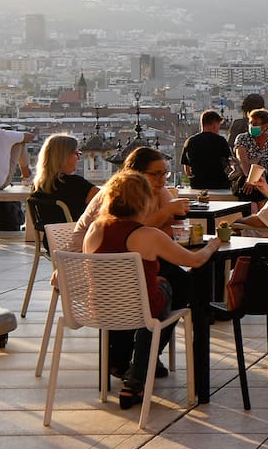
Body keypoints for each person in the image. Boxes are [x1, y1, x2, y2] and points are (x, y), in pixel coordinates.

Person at [83, 171, 220, 410]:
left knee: (151, 299)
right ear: (143, 201)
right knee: (166, 288)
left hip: (101, 310)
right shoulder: (148, 235)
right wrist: (212, 246)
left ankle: (133, 371)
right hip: (141, 309)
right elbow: (195, 261)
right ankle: (138, 374)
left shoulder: (95, 229)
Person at [70, 147, 192, 378]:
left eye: (164, 173)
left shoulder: (155, 190)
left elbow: (163, 228)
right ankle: (134, 357)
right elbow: (128, 230)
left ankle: (144, 355)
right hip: (94, 266)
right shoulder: (117, 194)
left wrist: (165, 212)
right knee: (171, 284)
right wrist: (165, 212)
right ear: (135, 174)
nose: (161, 179)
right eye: (155, 174)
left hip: (124, 258)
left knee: (177, 281)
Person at [32, 134, 98, 220]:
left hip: (51, 233)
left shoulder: (38, 185)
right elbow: (105, 198)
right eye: (76, 153)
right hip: (74, 232)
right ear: (64, 157)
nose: (78, 158)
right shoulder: (76, 184)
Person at [233, 108, 268, 206]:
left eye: (255, 124)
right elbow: (242, 160)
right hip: (247, 175)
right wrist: (250, 178)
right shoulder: (242, 138)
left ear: (265, 126)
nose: (252, 126)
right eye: (250, 123)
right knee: (249, 193)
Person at [180, 109, 232, 190]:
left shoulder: (190, 141)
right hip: (220, 184)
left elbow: (187, 169)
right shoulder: (221, 141)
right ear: (214, 125)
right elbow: (230, 162)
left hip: (197, 185)